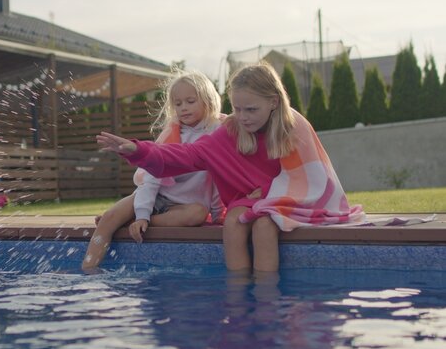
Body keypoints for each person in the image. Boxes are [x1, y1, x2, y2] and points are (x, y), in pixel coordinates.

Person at [96, 61, 365, 272]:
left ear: (273, 102)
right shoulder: (231, 130)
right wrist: (137, 149)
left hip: (292, 198)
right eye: (237, 109)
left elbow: (310, 176)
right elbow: (187, 156)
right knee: (235, 221)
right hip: (250, 200)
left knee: (264, 225)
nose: (243, 117)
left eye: (251, 110)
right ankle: (238, 292)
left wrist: (269, 196)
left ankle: (265, 293)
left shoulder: (293, 127)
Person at [81, 70, 224, 270]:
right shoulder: (171, 134)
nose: (183, 108)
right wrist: (141, 214)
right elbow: (152, 177)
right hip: (156, 195)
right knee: (109, 218)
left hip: (184, 206)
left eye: (190, 101)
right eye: (178, 103)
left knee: (197, 214)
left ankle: (137, 222)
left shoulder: (218, 133)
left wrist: (218, 215)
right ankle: (88, 268)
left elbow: (219, 177)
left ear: (208, 100)